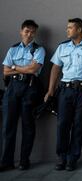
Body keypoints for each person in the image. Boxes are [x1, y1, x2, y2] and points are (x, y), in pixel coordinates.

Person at [44, 18, 82, 171]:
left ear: (79, 29)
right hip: (65, 90)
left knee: (78, 125)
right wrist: (50, 90)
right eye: (67, 27)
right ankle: (61, 157)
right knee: (62, 124)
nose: (67, 30)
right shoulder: (62, 47)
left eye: (70, 27)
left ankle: (72, 159)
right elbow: (55, 69)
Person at [0, 20, 45, 171]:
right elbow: (5, 71)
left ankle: (24, 160)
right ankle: (6, 161)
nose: (29, 34)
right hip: (12, 88)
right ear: (21, 31)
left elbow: (33, 70)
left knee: (27, 126)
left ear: (35, 34)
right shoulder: (13, 49)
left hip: (29, 88)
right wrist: (21, 68)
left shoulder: (39, 50)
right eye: (26, 31)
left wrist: (14, 66)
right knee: (8, 126)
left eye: (32, 32)